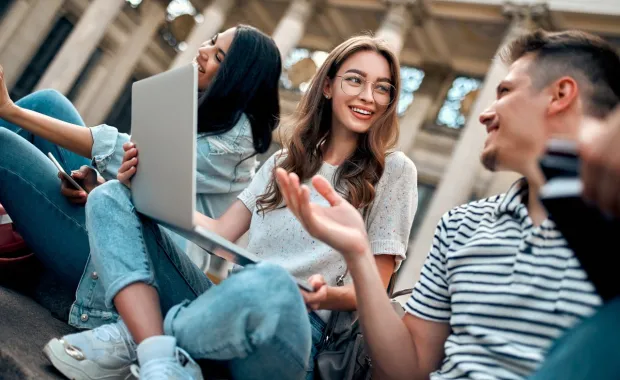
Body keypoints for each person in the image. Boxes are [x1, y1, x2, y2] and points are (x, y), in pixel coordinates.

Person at [45, 35, 418, 380]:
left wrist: (316, 295)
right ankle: (160, 357)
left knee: (273, 282)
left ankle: (139, 339)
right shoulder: (284, 163)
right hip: (226, 301)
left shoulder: (394, 171)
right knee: (110, 196)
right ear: (327, 85)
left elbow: (373, 292)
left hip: (299, 329)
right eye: (355, 80)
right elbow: (220, 234)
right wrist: (139, 189)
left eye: (382, 88)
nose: (369, 96)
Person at [275, 29, 620, 380]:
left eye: (505, 92)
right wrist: (360, 255)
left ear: (560, 94)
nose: (484, 114)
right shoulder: (461, 225)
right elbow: (406, 371)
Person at [0, 23, 282, 296]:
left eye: (218, 56)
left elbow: (134, 155)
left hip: (133, 256)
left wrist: (11, 111)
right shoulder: (206, 108)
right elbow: (145, 186)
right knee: (50, 103)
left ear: (238, 79)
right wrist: (97, 184)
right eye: (211, 41)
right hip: (120, 222)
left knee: (5, 144)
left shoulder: (234, 138)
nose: (203, 51)